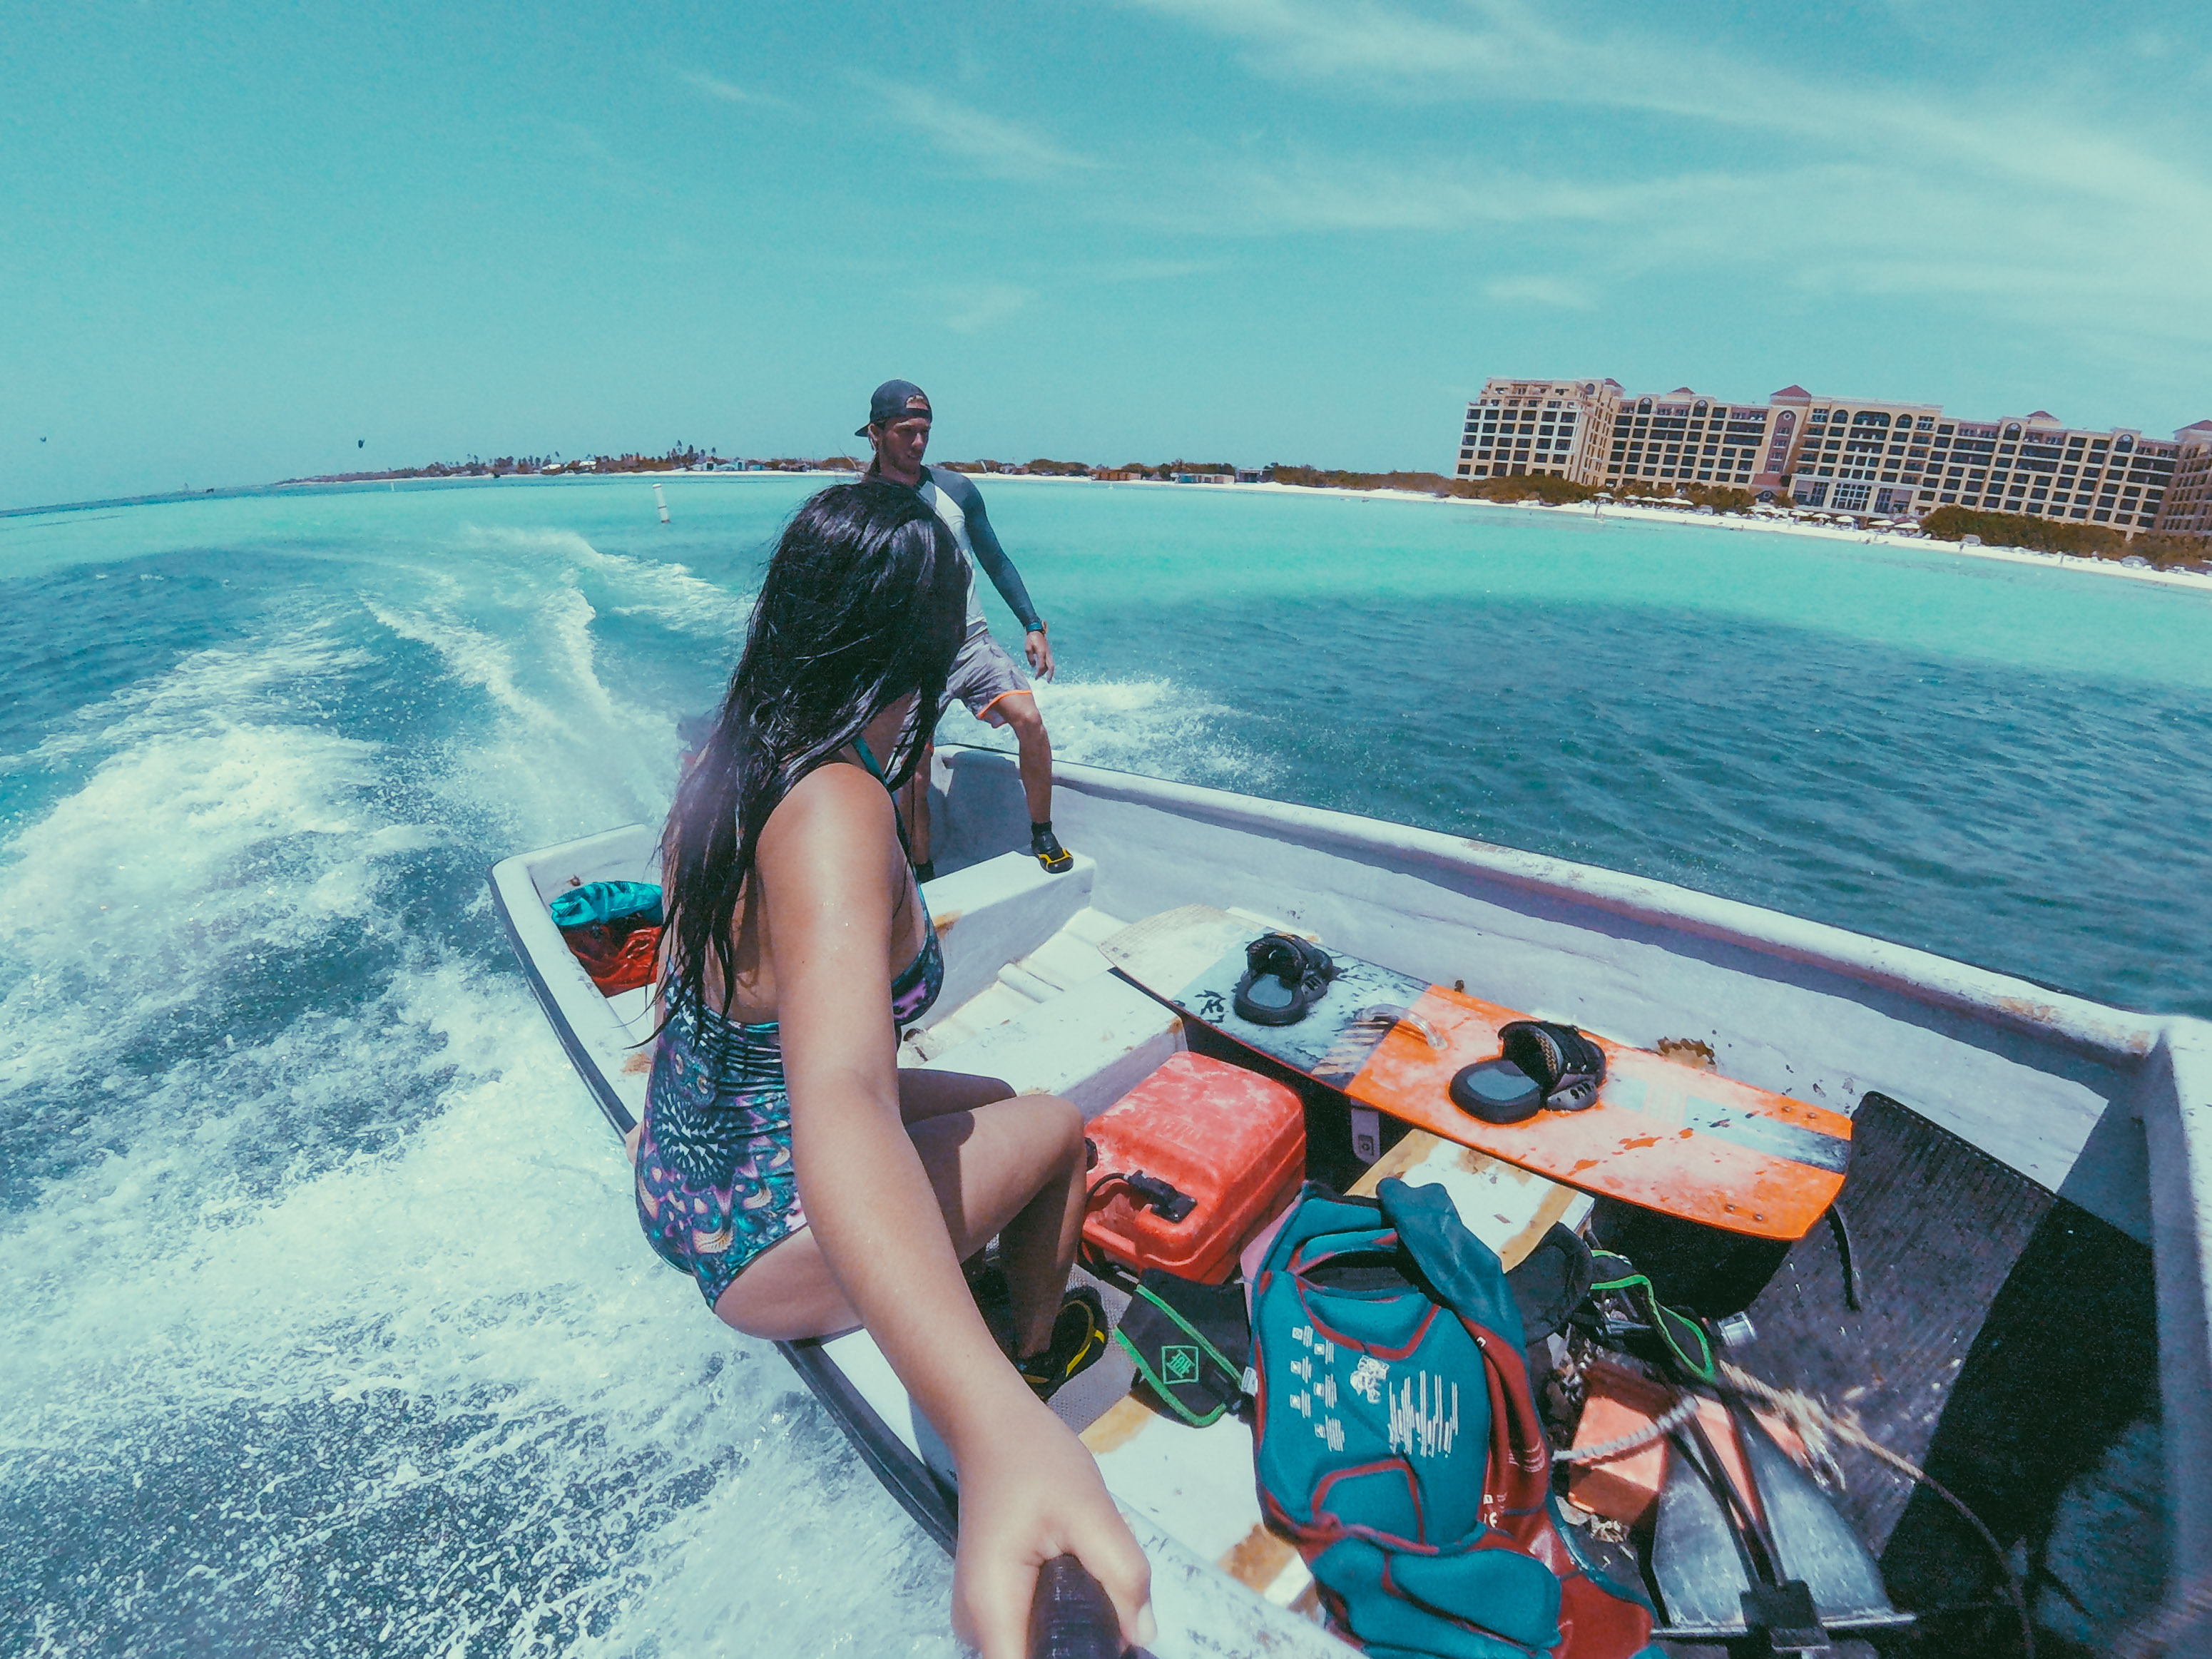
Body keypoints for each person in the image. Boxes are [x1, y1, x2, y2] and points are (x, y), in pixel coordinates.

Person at [637, 481, 1150, 1658]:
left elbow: (697, 982)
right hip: (762, 1234)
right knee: (1060, 1130)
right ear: (926, 638)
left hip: (688, 1176)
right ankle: (1024, 1356)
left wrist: (655, 1117)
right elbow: (846, 1101)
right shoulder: (837, 810)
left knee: (992, 1107)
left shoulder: (727, 757)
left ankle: (963, 1284)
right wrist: (993, 1429)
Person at [857, 379, 1072, 879]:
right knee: (915, 765)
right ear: (875, 433)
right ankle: (923, 868)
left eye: (924, 431)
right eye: (905, 431)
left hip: (970, 643)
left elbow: (994, 559)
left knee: (1030, 720)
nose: (917, 442)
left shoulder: (955, 490)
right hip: (905, 657)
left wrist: (1032, 625)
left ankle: (1040, 830)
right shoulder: (861, 504)